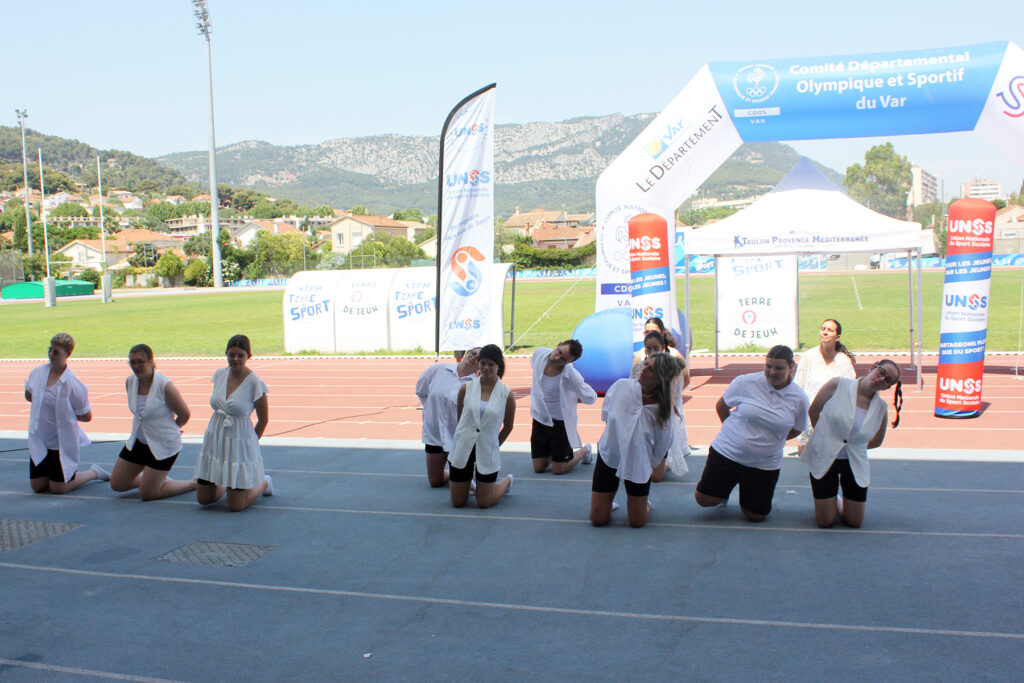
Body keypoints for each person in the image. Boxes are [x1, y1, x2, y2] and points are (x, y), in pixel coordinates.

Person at [694, 345, 810, 522]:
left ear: (791, 367)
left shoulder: (799, 398)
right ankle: (722, 492)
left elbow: (798, 428)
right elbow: (722, 406)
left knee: (756, 516)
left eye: (779, 368)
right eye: (768, 366)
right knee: (704, 500)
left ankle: (744, 490)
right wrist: (734, 432)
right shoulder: (745, 382)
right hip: (727, 453)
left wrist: (775, 439)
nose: (772, 372)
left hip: (764, 463)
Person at [800, 360, 903, 528]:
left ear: (887, 387)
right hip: (825, 457)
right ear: (873, 368)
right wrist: (824, 436)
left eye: (887, 380)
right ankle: (830, 501)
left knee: (855, 522)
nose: (881, 379)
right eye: (881, 372)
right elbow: (814, 410)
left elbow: (877, 441)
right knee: (825, 522)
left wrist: (855, 446)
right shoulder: (837, 385)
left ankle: (836, 500)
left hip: (854, 462)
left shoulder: (881, 408)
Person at [590, 353, 686, 528]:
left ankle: (644, 504)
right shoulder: (620, 387)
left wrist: (649, 464)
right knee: (598, 519)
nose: (644, 369)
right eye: (646, 363)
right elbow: (607, 416)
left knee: (637, 521)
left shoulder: (662, 409)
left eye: (651, 369)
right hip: (609, 455)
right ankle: (608, 502)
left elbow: (663, 443)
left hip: (638, 462)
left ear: (662, 378)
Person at [194, 334, 272, 511]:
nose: (235, 359)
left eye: (240, 355)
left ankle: (264, 483)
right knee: (204, 499)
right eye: (231, 355)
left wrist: (250, 444)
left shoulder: (255, 382)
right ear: (226, 354)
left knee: (236, 506)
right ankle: (225, 483)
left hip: (239, 441)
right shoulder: (219, 375)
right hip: (216, 438)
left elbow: (263, 419)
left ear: (248, 356)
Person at [109, 344, 196, 500]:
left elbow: (185, 414)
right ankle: (153, 480)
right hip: (139, 442)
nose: (136, 366)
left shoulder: (164, 385)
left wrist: (173, 429)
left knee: (148, 494)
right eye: (132, 362)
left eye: (140, 362)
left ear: (151, 361)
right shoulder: (130, 382)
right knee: (117, 484)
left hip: (163, 445)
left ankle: (192, 483)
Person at [24, 333, 108, 493]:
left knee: (58, 489)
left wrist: (65, 414)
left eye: (56, 352)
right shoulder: (37, 373)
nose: (51, 354)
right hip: (40, 440)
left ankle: (93, 473)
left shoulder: (73, 384)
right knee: (37, 486)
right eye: (50, 350)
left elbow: (87, 416)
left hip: (60, 443)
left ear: (67, 354)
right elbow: (29, 395)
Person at [448, 344, 516, 508]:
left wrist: (494, 445)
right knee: (458, 502)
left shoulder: (506, 395)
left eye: (490, 364)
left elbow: (508, 427)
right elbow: (460, 420)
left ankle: (506, 481)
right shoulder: (466, 388)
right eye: (482, 363)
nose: (485, 368)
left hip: (487, 449)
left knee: (484, 502)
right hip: (463, 447)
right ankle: (471, 485)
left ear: (499, 366)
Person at [529, 340, 597, 475]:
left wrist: (571, 400)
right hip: (539, 418)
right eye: (558, 352)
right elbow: (533, 365)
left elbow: (591, 397)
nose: (557, 357)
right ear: (558, 344)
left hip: (560, 423)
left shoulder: (571, 375)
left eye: (563, 359)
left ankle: (585, 451)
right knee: (538, 468)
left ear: (569, 362)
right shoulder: (540, 353)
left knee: (558, 469)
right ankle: (555, 454)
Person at [415, 348, 480, 487]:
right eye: (473, 353)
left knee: (462, 486)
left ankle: (469, 477)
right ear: (466, 353)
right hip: (435, 434)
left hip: (456, 436)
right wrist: (430, 412)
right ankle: (461, 475)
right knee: (435, 481)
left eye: (478, 358)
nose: (474, 357)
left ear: (480, 366)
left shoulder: (476, 385)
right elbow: (421, 391)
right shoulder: (438, 370)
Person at [630, 330, 690, 479]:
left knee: (656, 476)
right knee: (638, 469)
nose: (652, 352)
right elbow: (631, 393)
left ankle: (664, 462)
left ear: (663, 348)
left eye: (656, 348)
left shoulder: (672, 370)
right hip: (642, 417)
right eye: (648, 349)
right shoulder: (638, 368)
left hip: (662, 417)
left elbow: (676, 397)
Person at [793, 319, 857, 452]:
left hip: (834, 421)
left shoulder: (844, 362)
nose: (825, 332)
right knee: (807, 456)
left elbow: (851, 392)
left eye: (830, 330)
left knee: (830, 458)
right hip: (809, 419)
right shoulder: (809, 357)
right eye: (823, 329)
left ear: (837, 337)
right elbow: (798, 386)